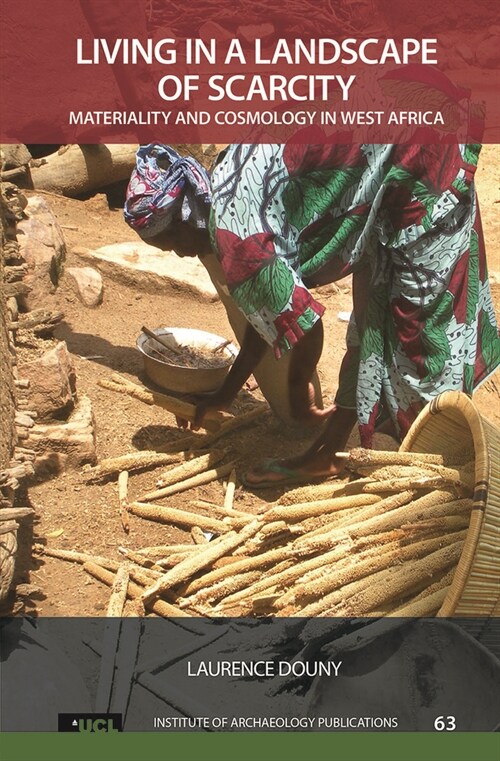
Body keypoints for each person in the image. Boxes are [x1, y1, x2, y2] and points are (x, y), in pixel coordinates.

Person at [125, 135, 500, 489]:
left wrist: (297, 387)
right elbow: (271, 315)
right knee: (371, 321)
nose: (177, 253)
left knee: (419, 335)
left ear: (184, 215)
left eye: (169, 242)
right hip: (389, 166)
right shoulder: (221, 181)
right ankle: (331, 454)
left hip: (426, 158)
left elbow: (307, 327)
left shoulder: (237, 241)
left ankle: (439, 479)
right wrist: (226, 393)